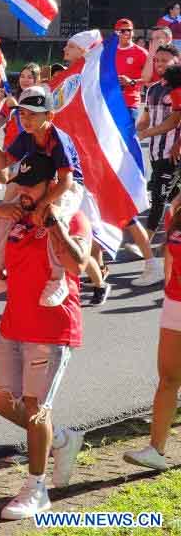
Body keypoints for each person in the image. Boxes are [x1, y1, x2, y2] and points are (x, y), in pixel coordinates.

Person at [0, 155, 90, 520]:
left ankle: (36, 486)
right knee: (1, 401)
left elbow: (79, 264)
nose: (23, 191)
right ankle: (60, 438)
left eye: (31, 185)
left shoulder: (73, 216)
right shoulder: (16, 216)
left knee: (34, 407)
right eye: (20, 184)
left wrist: (56, 223)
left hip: (53, 326)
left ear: (52, 187)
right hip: (14, 323)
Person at [0, 85, 123, 299]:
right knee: (5, 212)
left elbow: (67, 180)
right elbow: (4, 163)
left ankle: (57, 278)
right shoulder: (26, 136)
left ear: (49, 115)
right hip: (37, 181)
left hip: (67, 185)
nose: (26, 119)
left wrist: (44, 204)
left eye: (33, 114)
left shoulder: (58, 138)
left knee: (53, 217)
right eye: (22, 113)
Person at [124, 199, 181, 472]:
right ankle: (156, 450)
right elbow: (170, 252)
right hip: (175, 303)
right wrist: (169, 288)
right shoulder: (176, 211)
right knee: (168, 378)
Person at [137, 50, 181, 234]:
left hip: (172, 153)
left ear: (176, 60)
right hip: (155, 152)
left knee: (158, 198)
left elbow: (173, 121)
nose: (159, 63)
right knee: (173, 196)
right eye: (156, 60)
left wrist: (178, 144)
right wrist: (131, 132)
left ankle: (145, 245)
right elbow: (145, 119)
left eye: (165, 60)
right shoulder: (153, 88)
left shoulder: (177, 88)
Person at [113, 18, 149, 125]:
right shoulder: (108, 52)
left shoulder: (141, 53)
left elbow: (149, 77)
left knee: (127, 137)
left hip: (130, 102)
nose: (126, 33)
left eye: (129, 30)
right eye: (122, 31)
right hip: (109, 101)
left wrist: (132, 82)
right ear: (116, 33)